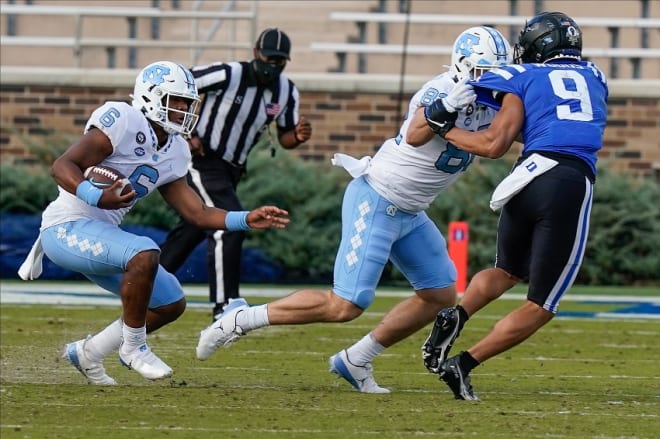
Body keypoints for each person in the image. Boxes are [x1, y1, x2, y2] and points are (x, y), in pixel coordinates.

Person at [194, 27, 513, 393]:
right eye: (482, 70)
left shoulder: (498, 100)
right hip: (377, 196)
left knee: (440, 295)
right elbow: (416, 133)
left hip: (411, 211)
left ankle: (356, 359)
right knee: (346, 304)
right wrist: (445, 107)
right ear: (461, 66)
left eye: (496, 71)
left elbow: (506, 136)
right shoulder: (440, 90)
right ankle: (239, 319)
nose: (489, 79)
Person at [17, 61, 289, 385]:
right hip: (65, 229)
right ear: (152, 96)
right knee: (144, 252)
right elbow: (63, 166)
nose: (185, 109)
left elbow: (197, 213)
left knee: (171, 302)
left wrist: (246, 218)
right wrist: (96, 196)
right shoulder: (123, 119)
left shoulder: (175, 149)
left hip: (102, 236)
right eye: (177, 101)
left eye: (188, 103)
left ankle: (89, 352)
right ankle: (133, 349)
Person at [421, 12, 608, 400]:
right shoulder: (596, 78)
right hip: (568, 179)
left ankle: (455, 315)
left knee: (505, 271)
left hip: (524, 179)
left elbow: (492, 143)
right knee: (541, 305)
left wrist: (443, 126)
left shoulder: (521, 76)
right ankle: (463, 363)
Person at [159, 28, 312, 321]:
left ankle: (147, 279)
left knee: (191, 229)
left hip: (231, 169)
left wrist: (300, 135)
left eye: (280, 61)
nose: (273, 66)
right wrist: (185, 133)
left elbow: (286, 138)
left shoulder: (286, 90)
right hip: (203, 159)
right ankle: (225, 306)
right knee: (230, 223)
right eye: (269, 58)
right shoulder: (229, 74)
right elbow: (180, 86)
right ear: (256, 52)